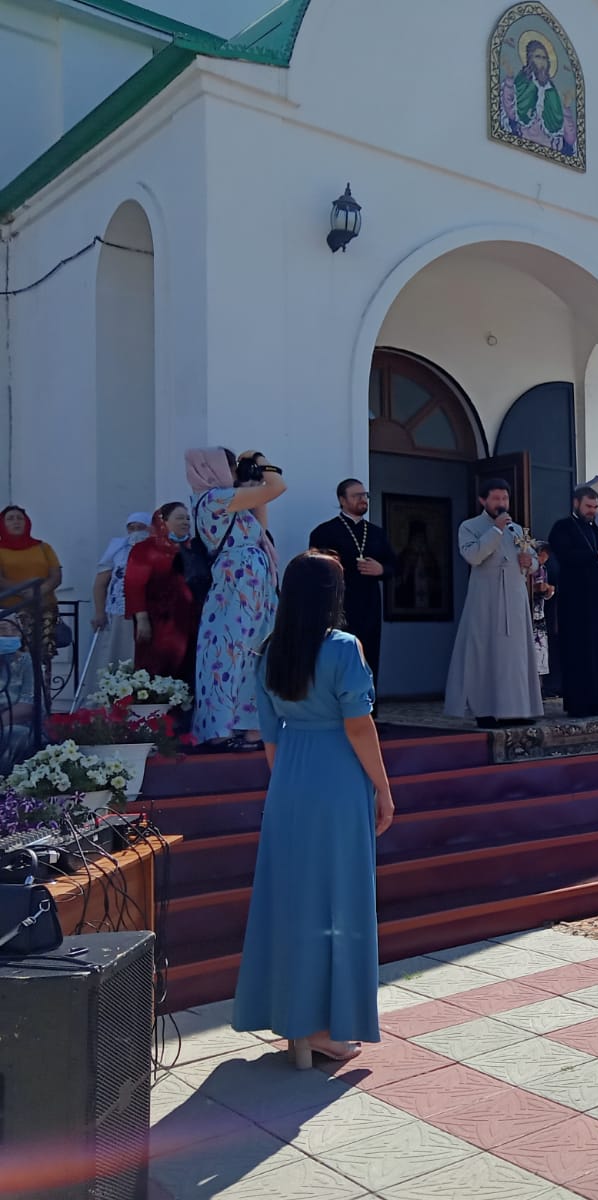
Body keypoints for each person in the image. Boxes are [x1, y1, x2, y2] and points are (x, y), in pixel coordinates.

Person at [232, 551, 394, 1069]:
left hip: (290, 781)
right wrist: (384, 789)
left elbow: (270, 738)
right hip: (339, 779)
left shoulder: (269, 651)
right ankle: (325, 1027)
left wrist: (287, 788)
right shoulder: (344, 647)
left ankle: (296, 1023)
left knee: (293, 900)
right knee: (338, 901)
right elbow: (357, 726)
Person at [189, 448, 284, 750]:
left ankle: (251, 726)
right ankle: (220, 729)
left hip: (252, 581)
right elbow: (278, 487)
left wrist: (251, 486)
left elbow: (262, 528)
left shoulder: (229, 499)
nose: (232, 471)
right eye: (229, 466)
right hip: (237, 580)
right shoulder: (214, 499)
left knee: (254, 651)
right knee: (228, 652)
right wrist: (261, 460)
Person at [444, 478, 544, 728]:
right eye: (496, 499)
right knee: (484, 653)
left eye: (505, 499)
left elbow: (534, 561)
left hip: (515, 598)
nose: (502, 504)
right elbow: (473, 555)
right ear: (483, 500)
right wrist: (496, 530)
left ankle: (518, 709)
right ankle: (486, 710)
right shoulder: (470, 526)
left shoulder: (518, 530)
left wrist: (529, 563)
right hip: (485, 599)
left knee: (516, 656)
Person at [309, 480, 397, 690]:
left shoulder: (376, 533)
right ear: (342, 499)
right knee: (338, 656)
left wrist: (381, 570)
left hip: (369, 604)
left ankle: (368, 710)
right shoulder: (325, 532)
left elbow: (394, 564)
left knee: (368, 655)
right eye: (356, 495)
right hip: (337, 605)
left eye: (365, 495)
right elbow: (314, 569)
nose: (362, 499)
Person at [547, 486, 598, 718]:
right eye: (588, 506)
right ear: (576, 503)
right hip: (575, 602)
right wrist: (596, 555)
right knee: (578, 652)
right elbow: (566, 556)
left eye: (595, 507)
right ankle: (578, 703)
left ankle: (597, 700)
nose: (592, 511)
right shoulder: (562, 528)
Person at [123, 502, 199, 682]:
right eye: (180, 518)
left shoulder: (194, 548)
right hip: (157, 620)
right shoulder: (144, 549)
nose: (186, 522)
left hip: (189, 620)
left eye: (188, 518)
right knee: (157, 667)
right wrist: (141, 619)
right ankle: (157, 709)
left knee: (188, 668)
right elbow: (134, 584)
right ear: (163, 521)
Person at [88, 512, 151, 681]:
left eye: (141, 527)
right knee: (117, 655)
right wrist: (99, 612)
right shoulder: (117, 550)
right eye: (132, 528)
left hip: (150, 614)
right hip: (120, 612)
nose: (136, 532)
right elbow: (101, 583)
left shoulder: (156, 550)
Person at [0, 506, 63, 664]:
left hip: (44, 610)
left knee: (43, 658)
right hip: (11, 616)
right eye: (10, 518)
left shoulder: (43, 547)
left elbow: (56, 575)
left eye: (19, 518)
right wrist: (24, 592)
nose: (16, 522)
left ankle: (44, 689)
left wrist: (39, 591)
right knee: (15, 660)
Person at [0, 616, 39, 773]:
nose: (9, 634)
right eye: (2, 629)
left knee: (16, 735)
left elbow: (28, 706)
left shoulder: (28, 662)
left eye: (15, 629)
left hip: (17, 723)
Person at [529, 541, 555, 683]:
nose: (542, 559)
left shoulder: (543, 569)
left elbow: (546, 590)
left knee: (541, 653)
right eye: (540, 555)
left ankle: (540, 687)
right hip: (528, 613)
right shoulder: (530, 568)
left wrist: (548, 590)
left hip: (540, 615)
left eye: (545, 556)